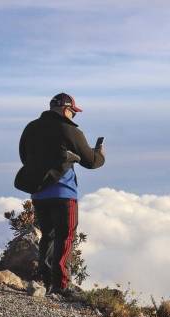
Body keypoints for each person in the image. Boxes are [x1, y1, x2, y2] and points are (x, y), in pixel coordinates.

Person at [17, 92, 105, 296]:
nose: (74, 116)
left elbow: (24, 156)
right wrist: (100, 153)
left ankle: (46, 281)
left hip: (39, 193)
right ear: (66, 110)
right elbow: (91, 161)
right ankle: (61, 285)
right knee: (65, 237)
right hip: (64, 193)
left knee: (47, 235)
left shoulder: (31, 128)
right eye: (73, 112)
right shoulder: (70, 130)